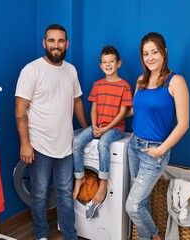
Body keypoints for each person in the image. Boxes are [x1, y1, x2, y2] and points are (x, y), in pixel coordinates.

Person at [15, 24, 88, 240]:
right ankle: (40, 234)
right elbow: (20, 110)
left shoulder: (71, 70)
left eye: (60, 41)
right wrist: (25, 143)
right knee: (39, 193)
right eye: (52, 40)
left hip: (66, 145)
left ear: (67, 44)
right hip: (39, 145)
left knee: (65, 193)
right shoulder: (31, 70)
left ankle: (69, 234)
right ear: (44, 43)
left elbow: (77, 102)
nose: (56, 45)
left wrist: (87, 130)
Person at [125, 32, 189, 240]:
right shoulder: (141, 80)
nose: (150, 57)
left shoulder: (175, 81)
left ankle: (155, 237)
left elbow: (183, 124)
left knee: (133, 206)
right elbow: (136, 111)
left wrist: (160, 150)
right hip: (134, 145)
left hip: (154, 151)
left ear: (164, 52)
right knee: (142, 202)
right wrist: (109, 118)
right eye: (145, 54)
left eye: (154, 52)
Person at [72, 45, 133, 206]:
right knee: (77, 142)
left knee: (104, 143)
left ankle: (103, 182)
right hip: (98, 125)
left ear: (118, 63)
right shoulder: (97, 85)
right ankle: (79, 177)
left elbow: (122, 112)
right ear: (100, 65)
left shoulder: (124, 86)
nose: (108, 65)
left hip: (115, 128)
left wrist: (106, 128)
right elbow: (93, 108)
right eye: (105, 62)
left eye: (111, 61)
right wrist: (94, 125)